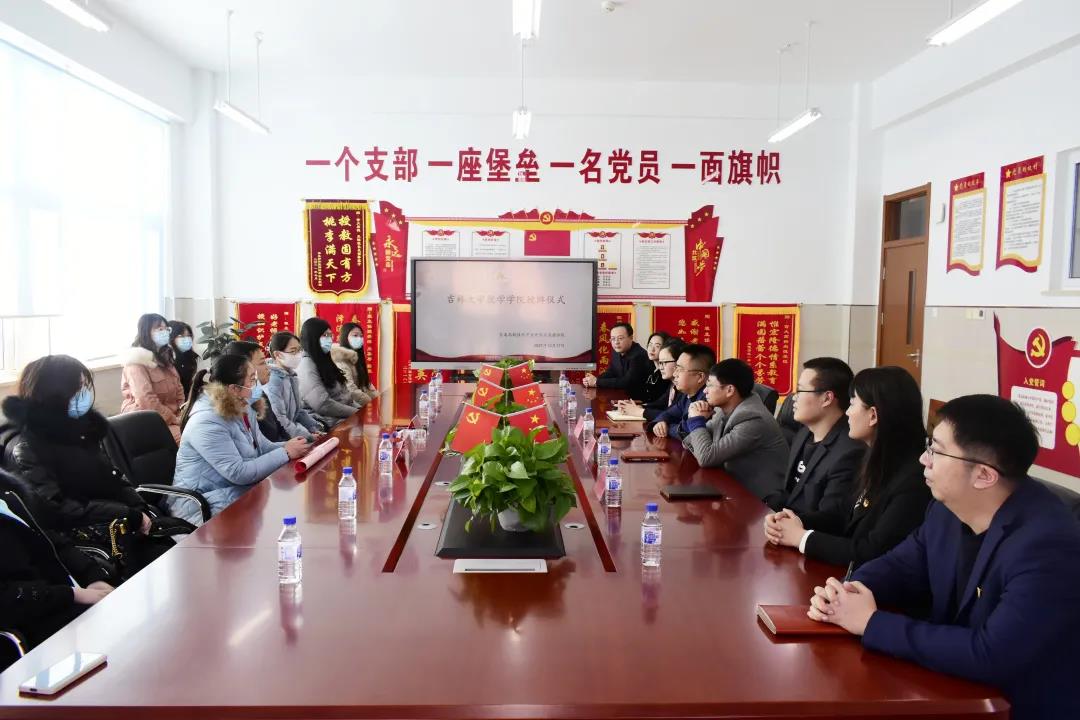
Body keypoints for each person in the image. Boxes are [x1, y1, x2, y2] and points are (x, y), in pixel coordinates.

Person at [808, 395, 1080, 720]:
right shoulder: (946, 509)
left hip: (1016, 707)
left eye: (936, 450)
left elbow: (993, 655)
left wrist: (870, 622)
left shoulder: (1048, 545)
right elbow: (901, 565)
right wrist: (847, 592)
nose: (924, 459)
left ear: (984, 475)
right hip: (948, 687)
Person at [0, 355, 172, 574]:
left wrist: (138, 508)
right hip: (86, 539)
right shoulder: (25, 446)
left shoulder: (79, 430)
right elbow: (57, 509)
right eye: (78, 387)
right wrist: (128, 514)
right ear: (54, 393)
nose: (85, 393)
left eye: (85, 386)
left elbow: (113, 477)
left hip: (120, 523)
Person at [764, 366, 930, 568]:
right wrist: (792, 521)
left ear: (873, 415)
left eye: (852, 404)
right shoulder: (876, 458)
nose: (847, 413)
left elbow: (872, 551)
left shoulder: (912, 481)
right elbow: (842, 517)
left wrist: (801, 538)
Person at [170, 355, 309, 525]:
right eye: (252, 379)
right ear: (234, 389)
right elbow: (238, 473)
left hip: (232, 492)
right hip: (201, 505)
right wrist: (286, 452)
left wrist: (293, 445)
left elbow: (262, 447)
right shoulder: (206, 422)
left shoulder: (242, 406)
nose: (256, 384)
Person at [0, 469, 114, 673]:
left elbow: (52, 540)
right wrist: (72, 594)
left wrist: (92, 575)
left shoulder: (8, 492)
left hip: (71, 600)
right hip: (36, 627)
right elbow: (7, 599)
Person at [764, 357, 864, 521]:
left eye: (800, 390)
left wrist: (784, 523)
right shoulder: (803, 433)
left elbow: (831, 518)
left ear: (827, 398)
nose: (793, 397)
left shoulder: (850, 452)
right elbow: (789, 494)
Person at [682, 358, 788, 501]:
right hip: (732, 487)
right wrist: (698, 420)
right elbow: (689, 442)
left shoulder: (752, 418)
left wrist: (696, 420)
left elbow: (706, 457)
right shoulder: (725, 409)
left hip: (759, 500)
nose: (705, 391)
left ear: (729, 390)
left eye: (710, 385)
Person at [120, 313, 185, 444]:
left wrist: (182, 413)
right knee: (190, 439)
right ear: (146, 332)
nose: (165, 332)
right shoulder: (136, 361)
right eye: (159, 329)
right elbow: (146, 400)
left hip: (172, 419)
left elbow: (179, 389)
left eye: (166, 329)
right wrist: (173, 419)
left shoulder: (165, 356)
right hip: (147, 420)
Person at [296, 317, 363, 428]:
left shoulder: (325, 361)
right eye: (325, 335)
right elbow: (322, 405)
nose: (329, 339)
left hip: (340, 418)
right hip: (324, 423)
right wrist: (356, 413)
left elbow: (345, 396)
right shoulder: (306, 365)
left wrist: (360, 409)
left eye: (330, 335)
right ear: (312, 337)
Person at [224, 340, 290, 443]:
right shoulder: (236, 407)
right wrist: (288, 447)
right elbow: (262, 446)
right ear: (243, 368)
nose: (268, 367)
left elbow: (278, 427)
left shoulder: (258, 393)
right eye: (262, 363)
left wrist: (294, 442)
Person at [648, 343, 715, 440]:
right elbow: (668, 413)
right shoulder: (687, 395)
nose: (675, 374)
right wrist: (661, 422)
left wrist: (668, 427)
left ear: (700, 377)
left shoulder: (707, 400)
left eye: (680, 369)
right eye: (676, 368)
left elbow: (685, 432)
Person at [265, 332, 323, 442]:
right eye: (293, 351)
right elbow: (280, 419)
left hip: (295, 432)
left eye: (299, 350)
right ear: (278, 355)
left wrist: (314, 428)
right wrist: (308, 437)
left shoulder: (292, 376)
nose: (298, 354)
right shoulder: (273, 380)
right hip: (283, 438)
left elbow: (299, 411)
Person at [615, 338, 685, 423]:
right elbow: (660, 403)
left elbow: (673, 417)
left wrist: (640, 412)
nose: (661, 367)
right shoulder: (673, 384)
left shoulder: (685, 388)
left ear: (679, 362)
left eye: (665, 362)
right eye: (660, 362)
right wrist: (637, 407)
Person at [581, 322, 653, 400]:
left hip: (637, 400)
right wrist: (593, 380)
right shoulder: (616, 351)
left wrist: (597, 382)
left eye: (620, 338)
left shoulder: (639, 355)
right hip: (621, 397)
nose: (616, 342)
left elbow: (627, 382)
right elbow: (611, 372)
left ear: (631, 338)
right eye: (613, 339)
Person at [333, 322, 378, 405]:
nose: (359, 338)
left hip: (356, 403)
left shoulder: (357, 357)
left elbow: (366, 384)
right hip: (344, 404)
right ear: (345, 337)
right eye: (355, 335)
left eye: (361, 336)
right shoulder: (339, 360)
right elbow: (350, 389)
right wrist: (370, 404)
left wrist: (378, 399)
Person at [168, 320, 200, 398]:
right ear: (171, 337)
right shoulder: (168, 360)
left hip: (187, 399)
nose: (187, 339)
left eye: (189, 335)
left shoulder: (191, 357)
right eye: (181, 336)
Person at [638, 331, 671, 404]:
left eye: (657, 346)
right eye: (650, 345)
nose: (652, 349)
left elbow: (660, 402)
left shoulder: (666, 373)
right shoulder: (648, 368)